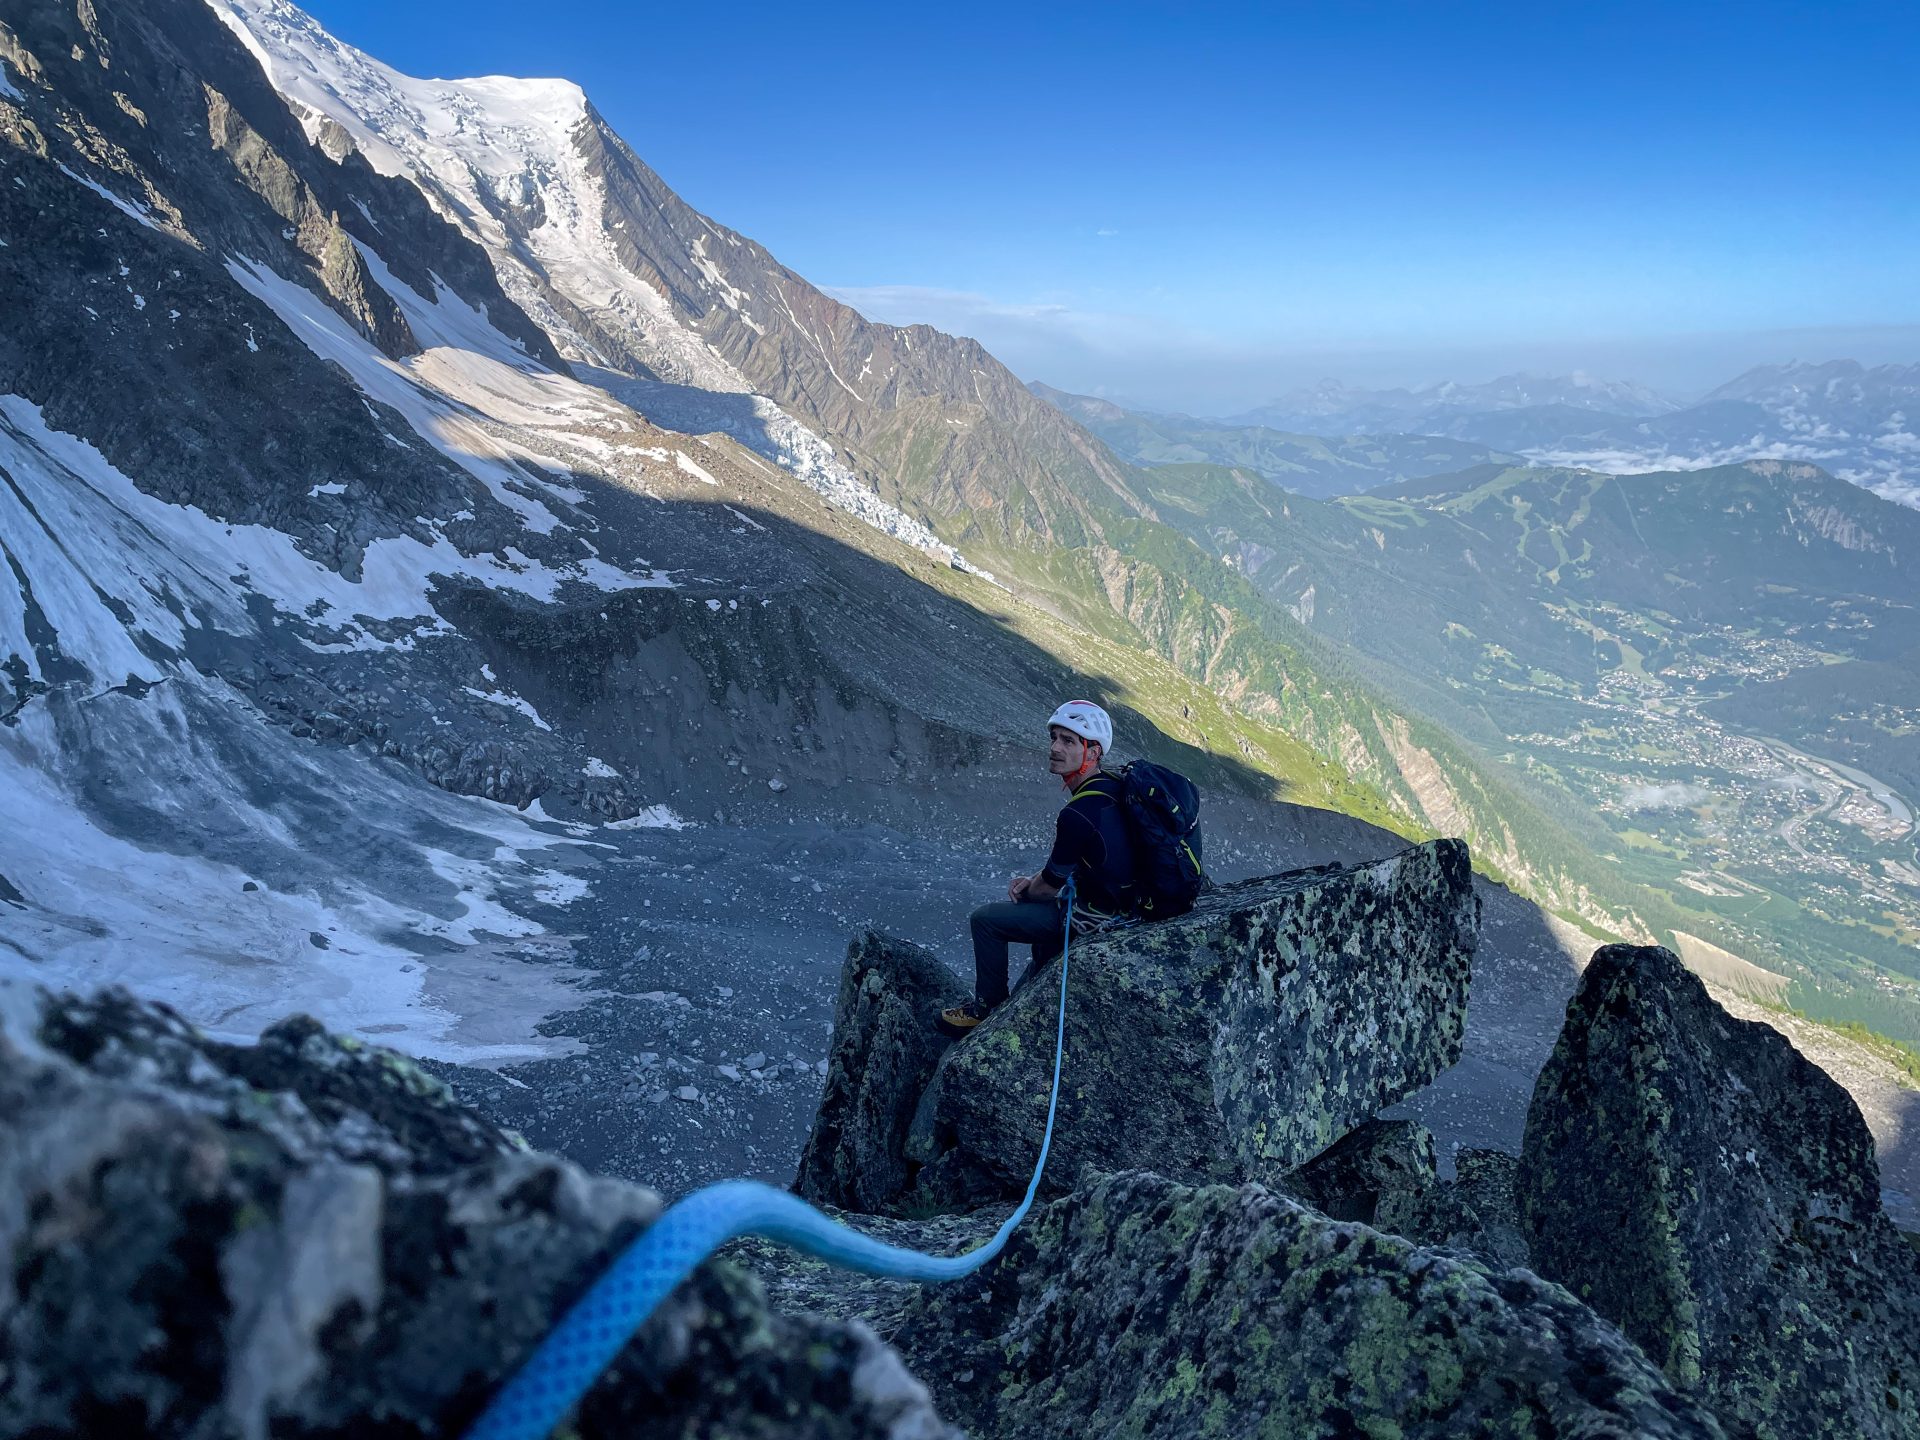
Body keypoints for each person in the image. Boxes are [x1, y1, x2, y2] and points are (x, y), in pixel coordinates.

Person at [938, 701, 1136, 1037]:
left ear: (1094, 751)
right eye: (1054, 738)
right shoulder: (1118, 786)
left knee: (985, 920)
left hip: (1100, 917)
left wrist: (1025, 887)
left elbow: (1048, 887)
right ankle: (1044, 971)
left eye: (1069, 741)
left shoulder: (1079, 812)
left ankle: (986, 1010)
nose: (1055, 748)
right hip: (1133, 907)